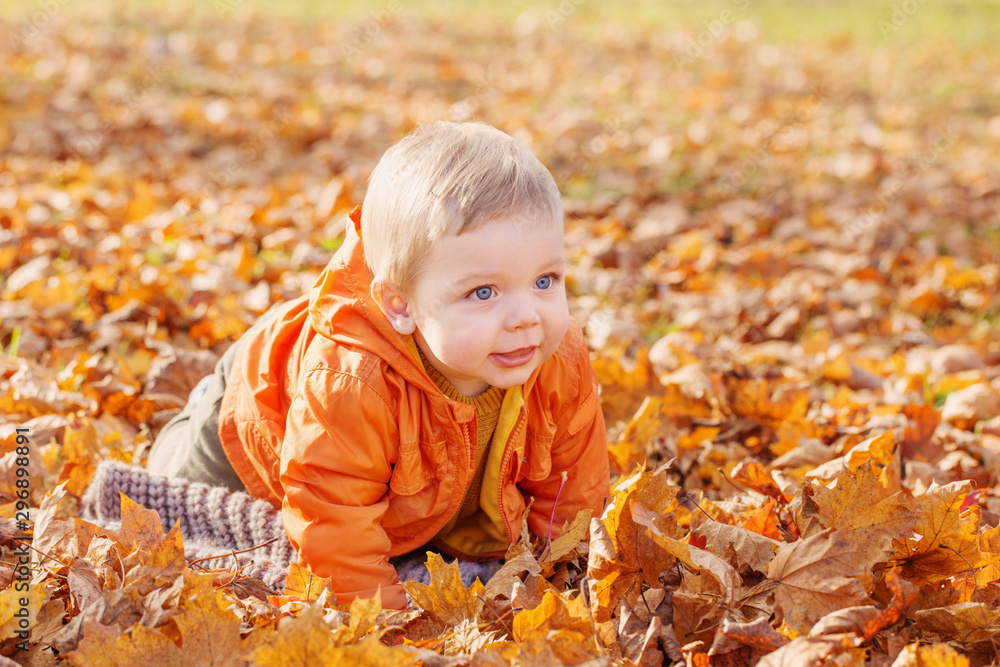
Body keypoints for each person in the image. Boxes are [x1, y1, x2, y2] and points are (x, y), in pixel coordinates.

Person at [146, 120, 611, 609]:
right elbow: (332, 513)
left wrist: (568, 578)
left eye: (545, 281)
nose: (525, 317)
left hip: (415, 479)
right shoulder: (352, 381)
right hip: (256, 410)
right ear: (400, 305)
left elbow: (573, 487)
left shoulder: (557, 356)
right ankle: (198, 404)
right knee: (174, 494)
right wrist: (382, 622)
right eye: (483, 292)